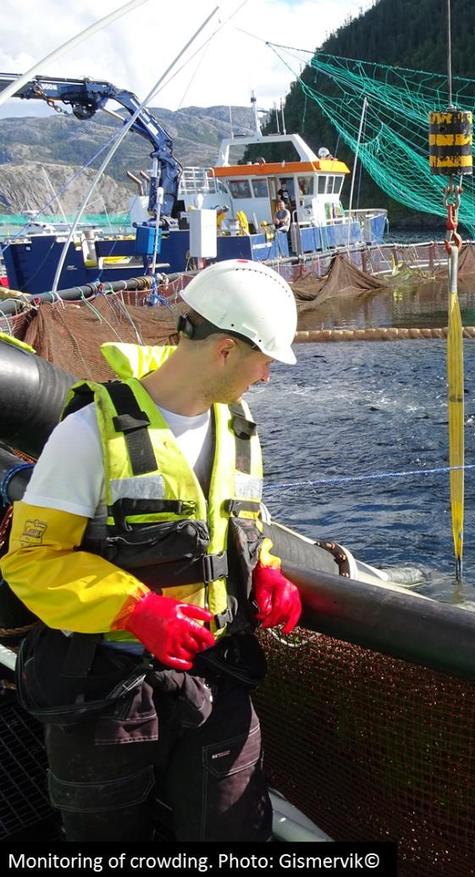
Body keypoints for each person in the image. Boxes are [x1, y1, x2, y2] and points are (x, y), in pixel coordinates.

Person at [1, 259, 302, 842]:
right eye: (265, 359)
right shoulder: (87, 434)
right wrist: (136, 609)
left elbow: (239, 523)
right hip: (104, 695)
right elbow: (30, 560)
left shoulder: (240, 429)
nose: (266, 376)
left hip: (214, 678)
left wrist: (266, 570)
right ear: (224, 349)